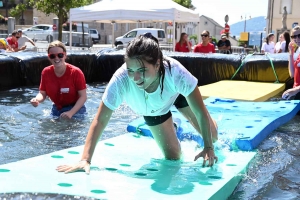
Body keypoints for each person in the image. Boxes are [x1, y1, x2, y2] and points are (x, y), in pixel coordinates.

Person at [56, 33, 219, 174]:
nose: (135, 78)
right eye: (131, 70)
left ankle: (210, 127)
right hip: (155, 109)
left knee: (212, 136)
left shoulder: (176, 73)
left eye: (142, 71)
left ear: (157, 64)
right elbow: (100, 120)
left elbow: (200, 111)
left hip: (177, 93)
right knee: (173, 157)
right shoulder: (120, 80)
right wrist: (85, 159)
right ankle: (173, 124)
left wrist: (208, 147)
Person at [30, 40, 87, 119]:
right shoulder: (46, 72)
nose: (56, 58)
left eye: (60, 55)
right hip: (56, 108)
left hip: (76, 109)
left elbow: (83, 97)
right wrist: (37, 100)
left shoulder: (76, 72)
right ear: (49, 57)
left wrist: (71, 113)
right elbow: (43, 93)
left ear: (65, 55)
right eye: (52, 56)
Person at [282, 26, 300, 100]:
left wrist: (296, 90)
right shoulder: (298, 50)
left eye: (299, 35)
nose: (297, 39)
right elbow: (292, 74)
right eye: (293, 36)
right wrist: (291, 53)